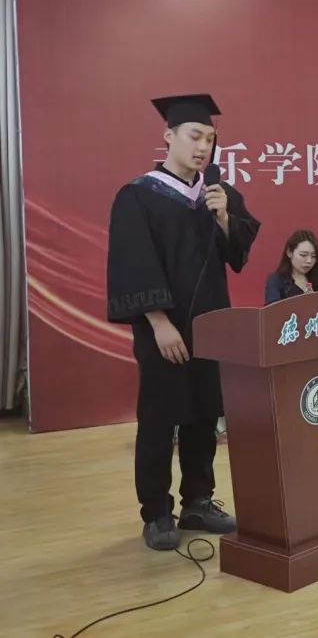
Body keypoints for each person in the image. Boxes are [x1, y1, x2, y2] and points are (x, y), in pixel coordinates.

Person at [106, 94, 260, 551]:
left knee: (204, 414)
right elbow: (135, 262)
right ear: (169, 136)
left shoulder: (218, 195)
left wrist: (224, 216)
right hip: (164, 330)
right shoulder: (138, 195)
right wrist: (159, 323)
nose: (203, 147)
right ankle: (156, 512)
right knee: (160, 418)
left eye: (210, 139)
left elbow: (237, 255)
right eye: (195, 136)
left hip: (210, 326)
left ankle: (198, 500)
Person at [265, 230, 318, 304]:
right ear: (289, 253)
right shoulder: (276, 280)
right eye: (303, 255)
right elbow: (272, 309)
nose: (309, 261)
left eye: (314, 256)